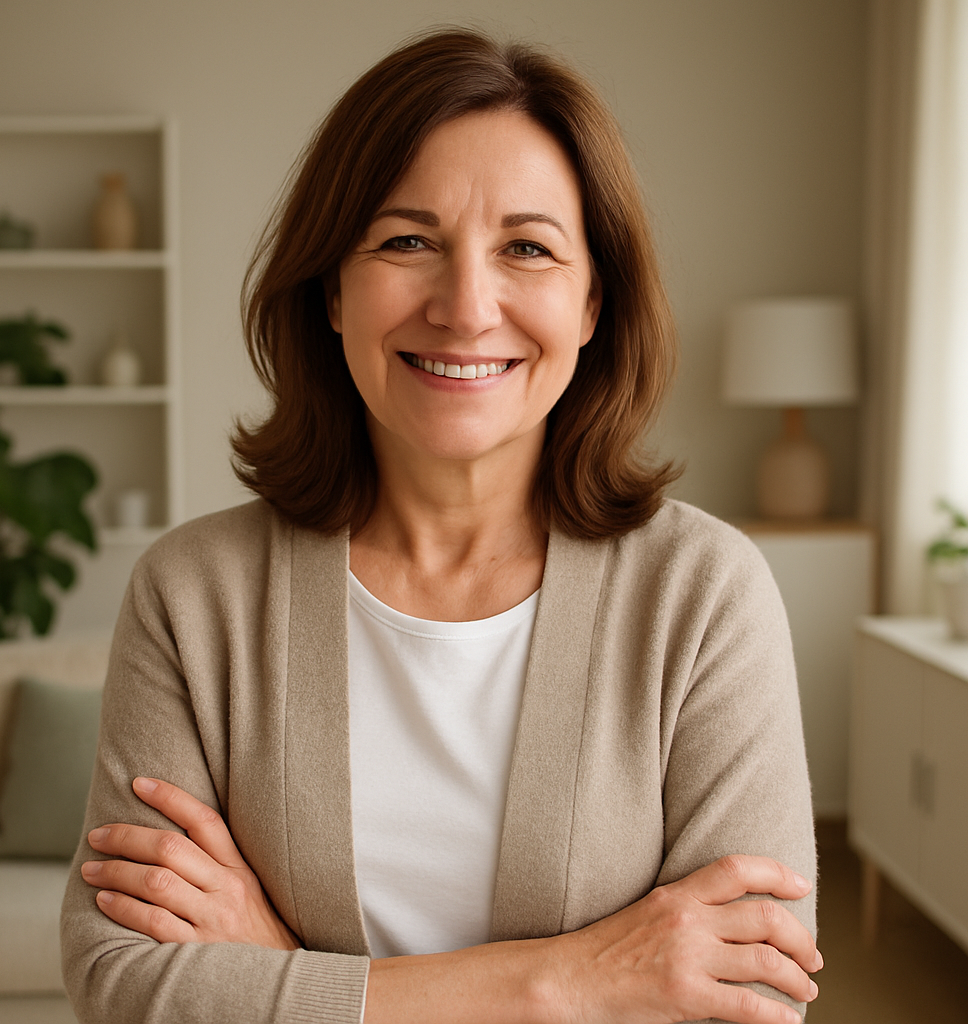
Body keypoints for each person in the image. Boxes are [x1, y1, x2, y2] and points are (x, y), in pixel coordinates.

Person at [61, 28, 820, 1024]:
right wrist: (571, 981)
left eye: (527, 248)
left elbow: (751, 994)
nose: (466, 308)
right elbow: (123, 983)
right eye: (406, 240)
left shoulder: (705, 595)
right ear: (333, 286)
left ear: (593, 301)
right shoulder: (192, 595)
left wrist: (281, 969)